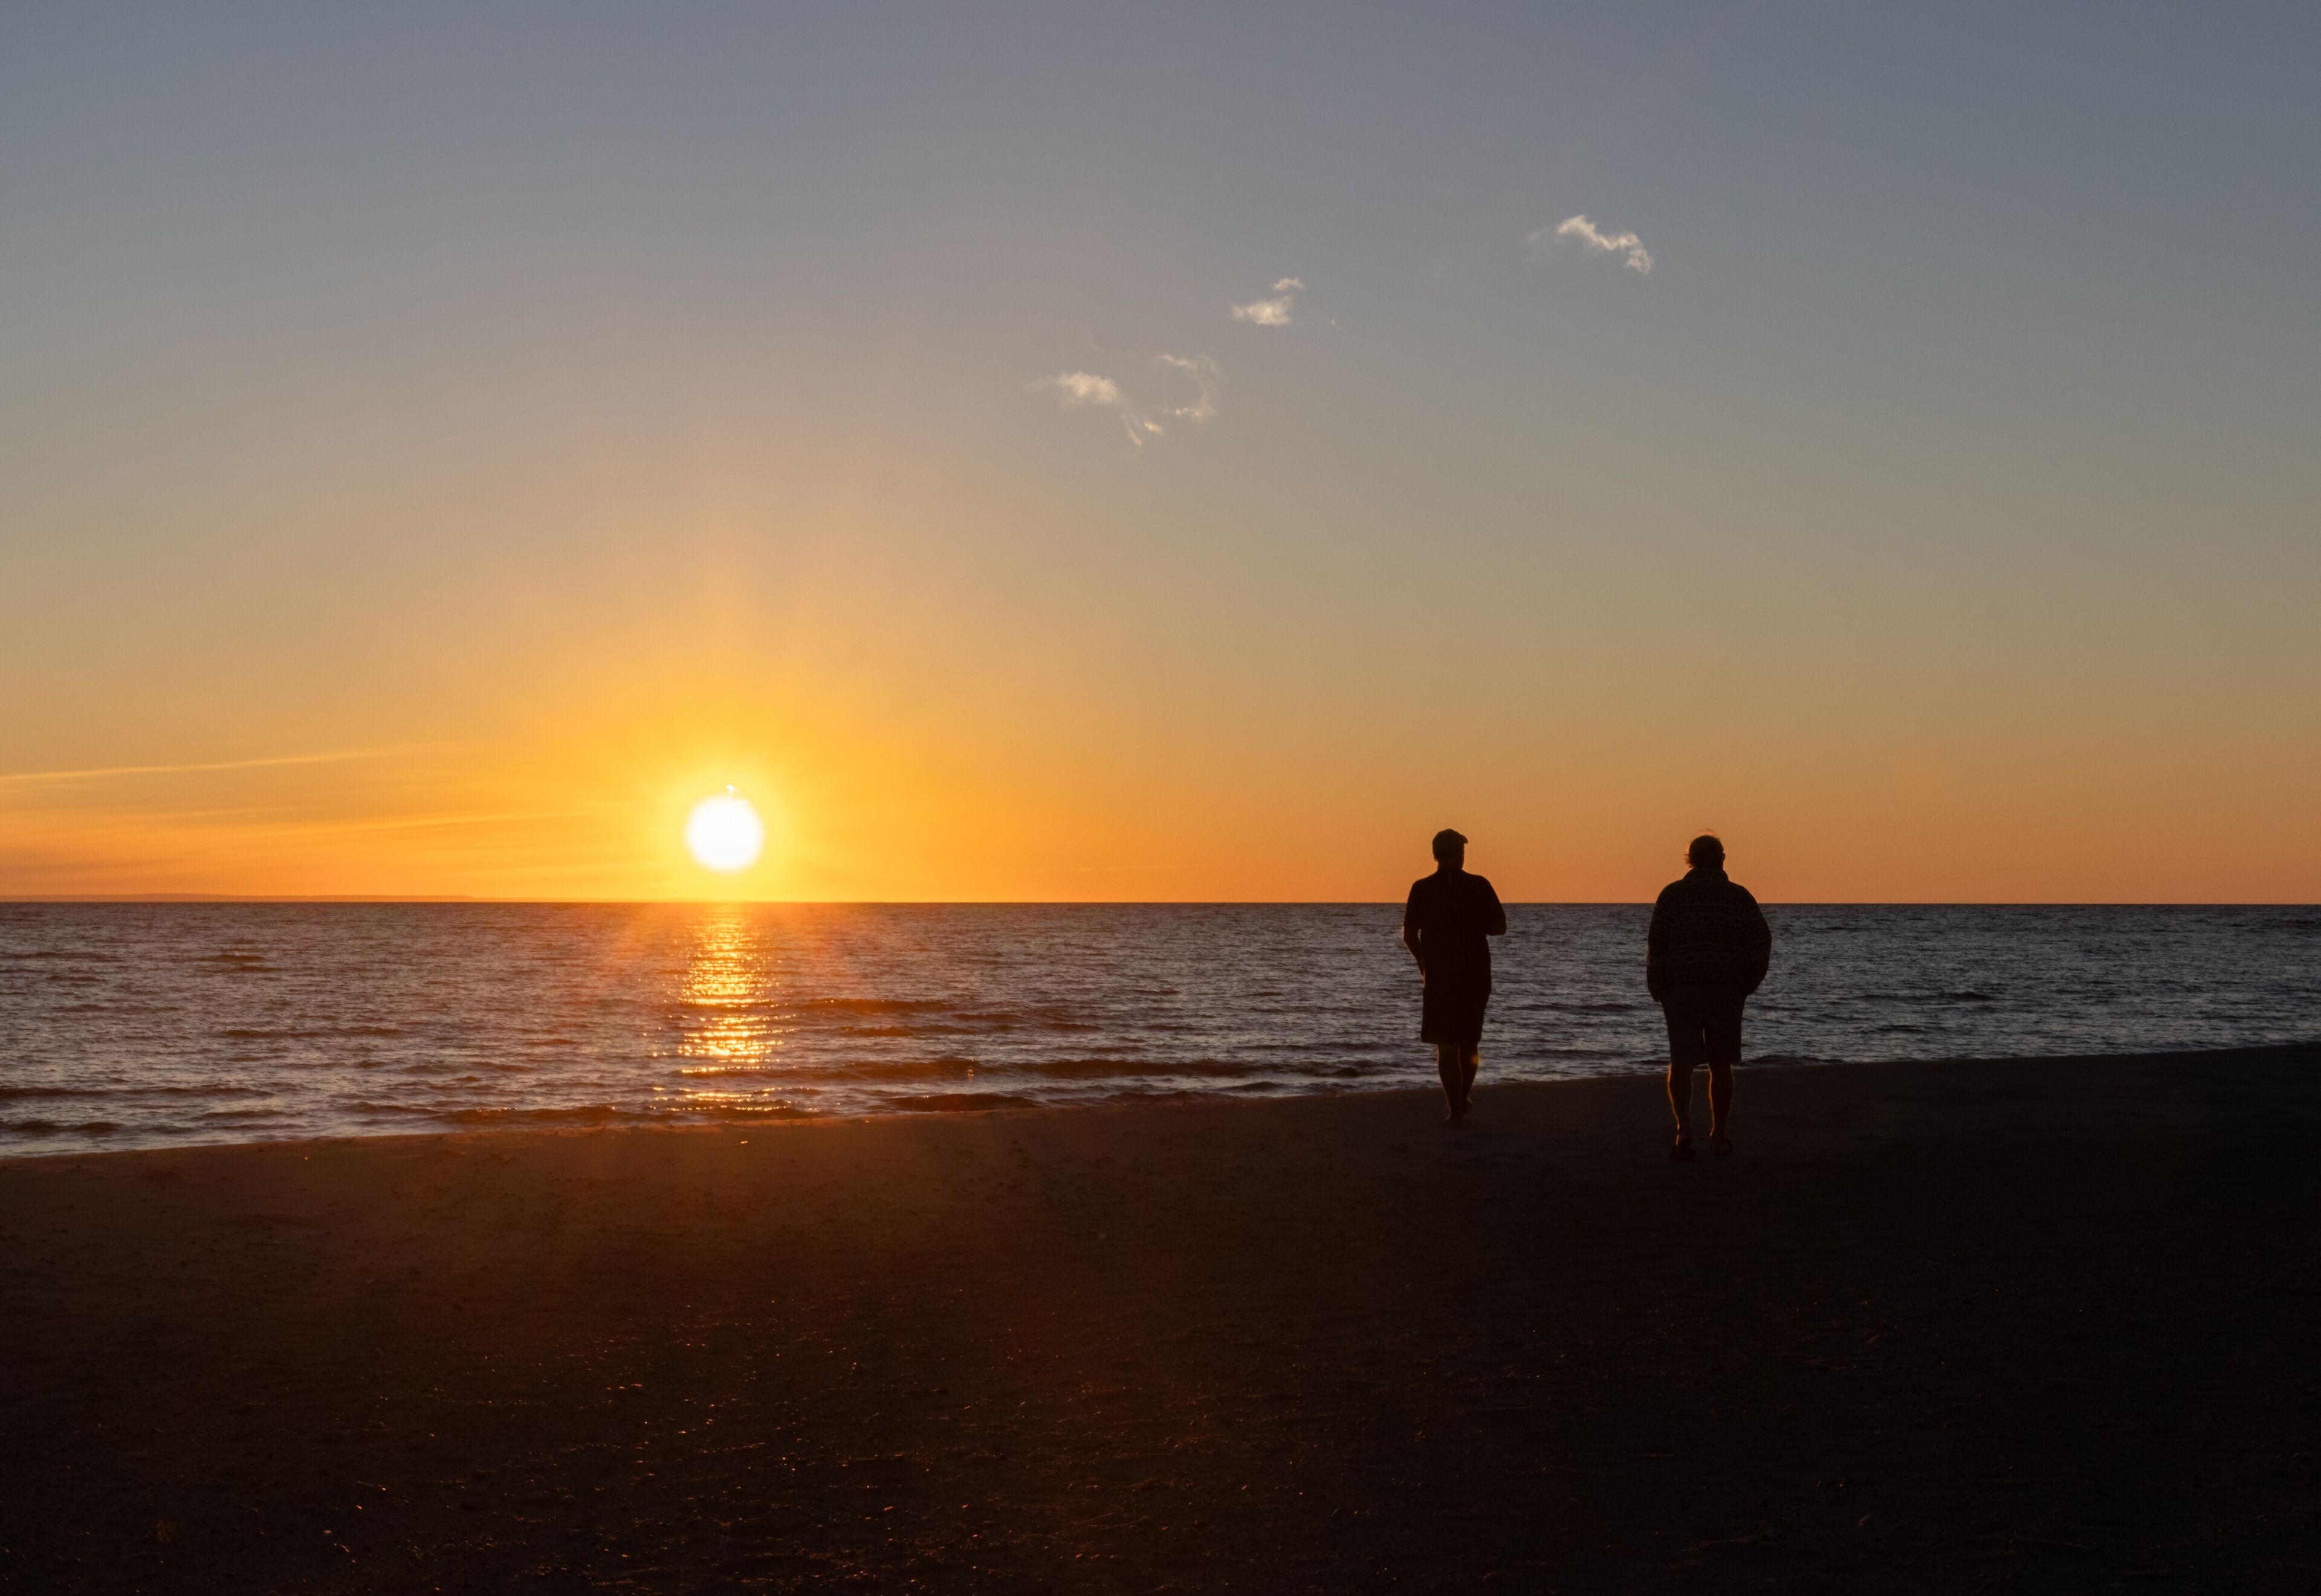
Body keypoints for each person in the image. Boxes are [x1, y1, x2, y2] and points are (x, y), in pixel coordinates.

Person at [1646, 834, 1772, 1160]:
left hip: (1681, 990)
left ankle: (1684, 1130)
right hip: (1725, 991)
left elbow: (1657, 945)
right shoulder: (1739, 897)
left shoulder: (1671, 895)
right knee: (1720, 1064)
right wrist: (1748, 982)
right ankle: (1718, 1135)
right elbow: (1761, 941)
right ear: (1722, 859)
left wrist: (1657, 985)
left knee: (1682, 1063)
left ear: (1690, 860)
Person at [1402, 829, 1507, 1124]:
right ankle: (1460, 1101)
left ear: (1436, 855)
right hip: (1475, 974)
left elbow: (1410, 935)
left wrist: (1423, 962)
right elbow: (1500, 927)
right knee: (1469, 1042)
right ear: (1460, 854)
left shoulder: (1421, 888)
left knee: (1446, 1046)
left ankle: (1456, 1106)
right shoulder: (1479, 885)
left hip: (1439, 976)